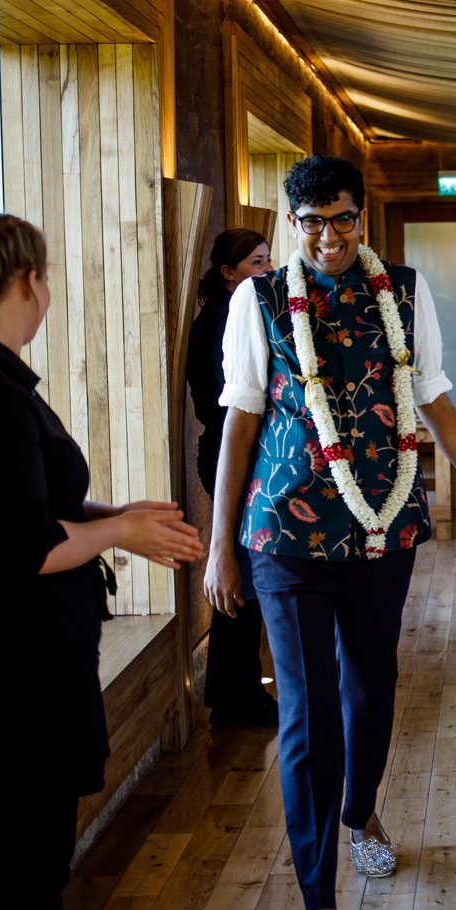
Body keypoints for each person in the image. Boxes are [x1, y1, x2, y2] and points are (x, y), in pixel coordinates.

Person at [203, 155, 456, 910]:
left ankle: (360, 811)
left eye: (342, 220)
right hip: (284, 535)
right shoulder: (258, 300)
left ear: (360, 218)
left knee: (371, 686)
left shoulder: (403, 290)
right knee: (307, 712)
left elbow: (432, 393)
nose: (329, 237)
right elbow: (239, 420)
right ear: (292, 225)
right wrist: (222, 544)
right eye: (312, 223)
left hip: (381, 526)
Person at [0, 215, 206, 910]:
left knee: (31, 884)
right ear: (28, 282)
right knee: (19, 896)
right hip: (7, 678)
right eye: (46, 280)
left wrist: (119, 516)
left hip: (22, 670)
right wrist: (119, 533)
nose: (48, 294)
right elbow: (25, 547)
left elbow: (35, 507)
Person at [185, 227, 280, 729]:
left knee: (246, 577)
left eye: (268, 260)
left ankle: (238, 692)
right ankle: (235, 697)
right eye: (256, 263)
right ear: (228, 273)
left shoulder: (241, 311)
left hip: (243, 453)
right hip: (229, 455)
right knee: (238, 577)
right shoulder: (220, 320)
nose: (268, 269)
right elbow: (226, 406)